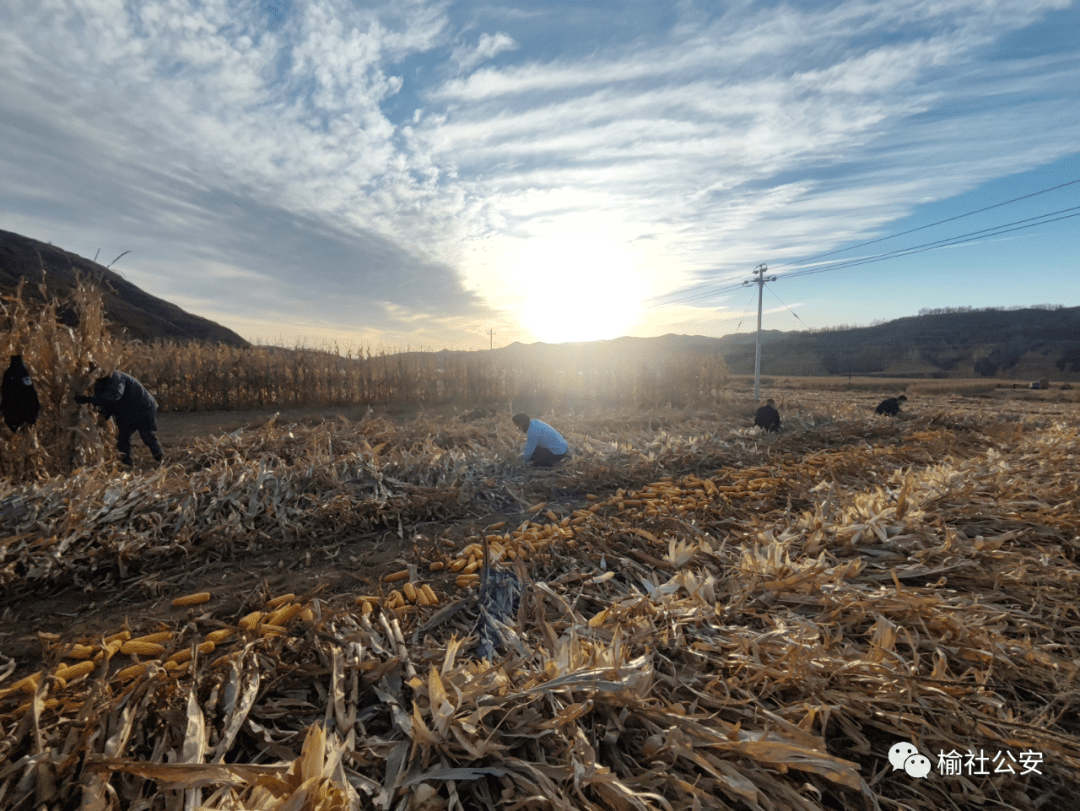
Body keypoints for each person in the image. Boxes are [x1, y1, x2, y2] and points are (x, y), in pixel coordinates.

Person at [74, 371, 163, 465]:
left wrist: (88, 400)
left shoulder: (115, 378)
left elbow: (114, 396)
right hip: (127, 411)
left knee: (147, 436)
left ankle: (161, 459)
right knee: (122, 440)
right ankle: (127, 466)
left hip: (143, 408)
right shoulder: (100, 383)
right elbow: (107, 403)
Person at [1, 355, 40, 432]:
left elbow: (4, 392)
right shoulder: (22, 372)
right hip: (21, 411)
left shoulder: (10, 373)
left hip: (14, 412)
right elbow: (30, 390)